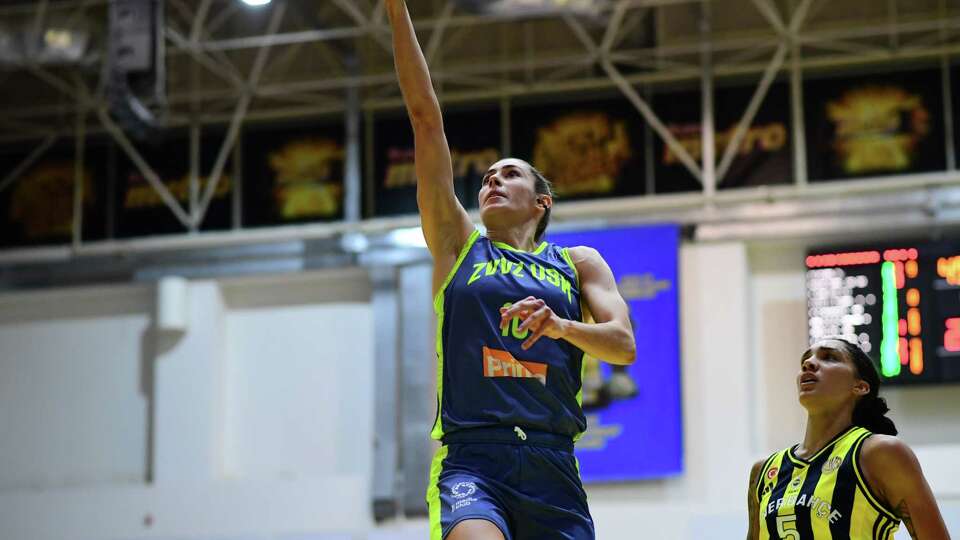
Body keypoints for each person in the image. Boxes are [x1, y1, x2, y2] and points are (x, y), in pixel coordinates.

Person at [385, 2, 637, 539]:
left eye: (510, 175)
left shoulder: (578, 263)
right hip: (475, 458)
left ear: (541, 202)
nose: (492, 182)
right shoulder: (460, 245)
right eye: (487, 178)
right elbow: (425, 118)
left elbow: (622, 345)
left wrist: (561, 326)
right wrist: (395, 8)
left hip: (553, 462)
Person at [746, 338, 951, 540]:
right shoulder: (764, 471)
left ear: (860, 387)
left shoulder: (879, 453)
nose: (809, 363)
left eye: (829, 358)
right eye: (804, 361)